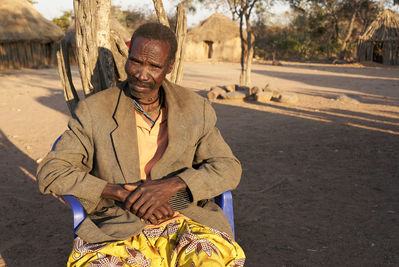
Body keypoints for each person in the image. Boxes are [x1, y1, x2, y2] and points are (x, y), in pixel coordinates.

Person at [37, 22, 245, 266]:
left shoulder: (194, 108)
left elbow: (228, 167)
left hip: (184, 219)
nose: (141, 74)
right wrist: (119, 192)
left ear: (169, 67)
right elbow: (51, 172)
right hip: (117, 226)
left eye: (154, 66)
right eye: (136, 61)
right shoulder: (95, 111)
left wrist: (171, 186)